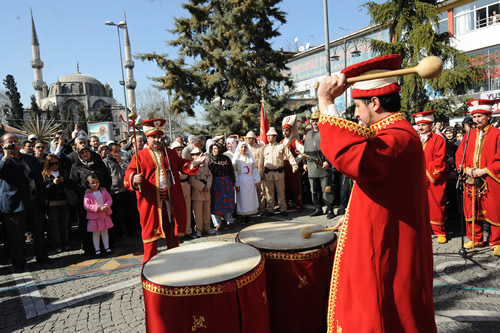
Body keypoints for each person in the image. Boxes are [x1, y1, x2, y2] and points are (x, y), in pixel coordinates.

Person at [317, 54, 436, 332]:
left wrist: (326, 103)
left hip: (387, 247)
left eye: (357, 106)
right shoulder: (399, 133)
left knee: (381, 313)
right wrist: (353, 215)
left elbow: (352, 159)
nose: (355, 115)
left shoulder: (396, 137)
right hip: (388, 236)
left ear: (375, 102)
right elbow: (381, 188)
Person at [124, 118, 204, 263]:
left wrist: (194, 163)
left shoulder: (170, 153)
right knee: (150, 233)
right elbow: (129, 173)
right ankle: (149, 266)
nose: (156, 139)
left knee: (173, 230)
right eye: (153, 137)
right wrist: (133, 178)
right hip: (152, 202)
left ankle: (174, 261)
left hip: (171, 198)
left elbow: (183, 165)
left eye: (158, 136)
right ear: (147, 138)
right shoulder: (139, 156)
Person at [455, 99, 500, 255]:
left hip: (490, 178)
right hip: (471, 179)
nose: (477, 120)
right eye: (474, 117)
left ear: (488, 116)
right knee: (472, 209)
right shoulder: (468, 135)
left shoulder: (497, 134)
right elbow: (460, 154)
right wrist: (466, 169)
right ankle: (475, 239)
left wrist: (485, 170)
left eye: (480, 116)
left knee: (495, 210)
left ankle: (496, 242)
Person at [0, 134, 50, 272]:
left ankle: (42, 257)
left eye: (15, 142)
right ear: (2, 145)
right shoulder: (3, 161)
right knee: (16, 237)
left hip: (34, 201)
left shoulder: (30, 159)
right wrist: (6, 156)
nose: (13, 145)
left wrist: (44, 196)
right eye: (10, 142)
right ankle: (19, 263)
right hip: (15, 205)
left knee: (39, 231)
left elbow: (39, 179)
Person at [412, 110, 448, 243]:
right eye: (419, 125)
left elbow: (440, 159)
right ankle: (422, 230)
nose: (420, 128)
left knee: (436, 204)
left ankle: (439, 231)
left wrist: (426, 174)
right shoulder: (414, 138)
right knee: (418, 205)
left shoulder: (438, 139)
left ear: (430, 125)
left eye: (423, 125)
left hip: (433, 179)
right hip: (416, 179)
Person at [69, 146, 112, 255]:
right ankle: (91, 248)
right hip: (86, 199)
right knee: (87, 225)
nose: (85, 154)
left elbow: (107, 177)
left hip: (101, 197)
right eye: (82, 152)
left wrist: (103, 188)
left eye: (86, 151)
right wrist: (85, 191)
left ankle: (105, 247)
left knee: (103, 225)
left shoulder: (98, 163)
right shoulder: (75, 166)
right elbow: (73, 183)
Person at [260, 127, 298, 216]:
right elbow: (261, 163)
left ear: (275, 137)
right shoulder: (264, 148)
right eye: (268, 136)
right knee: (269, 193)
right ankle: (270, 209)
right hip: (268, 173)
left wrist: (294, 165)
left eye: (271, 136)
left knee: (281, 192)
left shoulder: (281, 146)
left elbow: (290, 156)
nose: (269, 137)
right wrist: (260, 173)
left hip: (279, 172)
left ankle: (283, 209)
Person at [303, 109, 334, 218]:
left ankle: (330, 209)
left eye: (317, 120)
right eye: (313, 120)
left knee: (326, 189)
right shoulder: (308, 134)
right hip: (311, 166)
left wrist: (327, 161)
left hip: (322, 164)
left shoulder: (325, 133)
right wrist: (304, 163)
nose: (315, 122)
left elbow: (330, 149)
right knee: (314, 190)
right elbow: (305, 150)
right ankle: (318, 208)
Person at [42, 154, 72, 253]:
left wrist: (64, 181)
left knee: (66, 224)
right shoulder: (45, 175)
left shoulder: (63, 173)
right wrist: (52, 184)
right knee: (55, 226)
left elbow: (71, 186)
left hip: (64, 202)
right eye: (52, 164)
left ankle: (66, 243)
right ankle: (58, 245)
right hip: (52, 204)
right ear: (47, 164)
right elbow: (43, 190)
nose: (55, 166)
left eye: (56, 163)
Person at [206, 142, 236, 229]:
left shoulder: (226, 158)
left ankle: (229, 221)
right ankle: (217, 223)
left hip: (226, 183)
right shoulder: (209, 159)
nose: (215, 150)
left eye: (217, 148)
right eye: (214, 149)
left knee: (227, 202)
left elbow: (231, 171)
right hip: (214, 183)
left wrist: (232, 182)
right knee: (215, 203)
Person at [83, 174, 113, 256]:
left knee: (105, 232)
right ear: (88, 184)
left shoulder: (103, 191)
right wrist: (96, 208)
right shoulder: (88, 194)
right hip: (94, 217)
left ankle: (107, 247)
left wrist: (106, 206)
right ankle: (97, 249)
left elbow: (109, 199)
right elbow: (86, 205)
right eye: (92, 183)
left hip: (104, 215)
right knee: (96, 233)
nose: (95, 184)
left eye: (97, 182)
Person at [280, 115, 304, 211]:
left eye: (287, 130)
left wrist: (296, 161)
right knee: (285, 186)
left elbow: (302, 151)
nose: (285, 132)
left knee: (295, 186)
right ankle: (286, 204)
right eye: (283, 131)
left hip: (293, 167)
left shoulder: (295, 141)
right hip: (284, 167)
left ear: (290, 131)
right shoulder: (281, 142)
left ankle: (298, 204)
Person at [189, 147, 215, 237]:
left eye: (199, 153)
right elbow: (192, 180)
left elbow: (209, 176)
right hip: (197, 192)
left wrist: (208, 186)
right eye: (195, 154)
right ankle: (199, 229)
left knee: (206, 211)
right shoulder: (191, 166)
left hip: (206, 191)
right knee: (198, 212)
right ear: (192, 156)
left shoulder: (205, 165)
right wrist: (202, 186)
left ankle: (207, 227)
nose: (198, 155)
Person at [232, 141, 260, 222]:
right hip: (241, 181)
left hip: (250, 181)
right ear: (239, 148)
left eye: (245, 147)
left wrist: (256, 180)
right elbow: (235, 172)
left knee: (250, 198)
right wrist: (237, 184)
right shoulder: (236, 159)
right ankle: (243, 216)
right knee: (242, 199)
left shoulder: (250, 157)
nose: (243, 149)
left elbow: (254, 169)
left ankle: (249, 215)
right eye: (242, 147)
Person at [172, 140, 194, 239]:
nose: (179, 152)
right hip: (177, 187)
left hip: (186, 185)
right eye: (177, 150)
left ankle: (188, 231)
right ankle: (179, 232)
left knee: (187, 210)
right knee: (177, 211)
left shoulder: (184, 161)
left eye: (181, 150)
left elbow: (188, 173)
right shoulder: (172, 162)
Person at [246, 131, 266, 214]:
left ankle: (262, 208)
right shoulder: (245, 148)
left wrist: (261, 173)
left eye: (250, 138)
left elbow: (261, 162)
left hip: (257, 171)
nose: (248, 139)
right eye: (247, 138)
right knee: (250, 191)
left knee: (261, 191)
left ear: (254, 139)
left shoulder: (260, 148)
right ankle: (252, 209)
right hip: (248, 173)